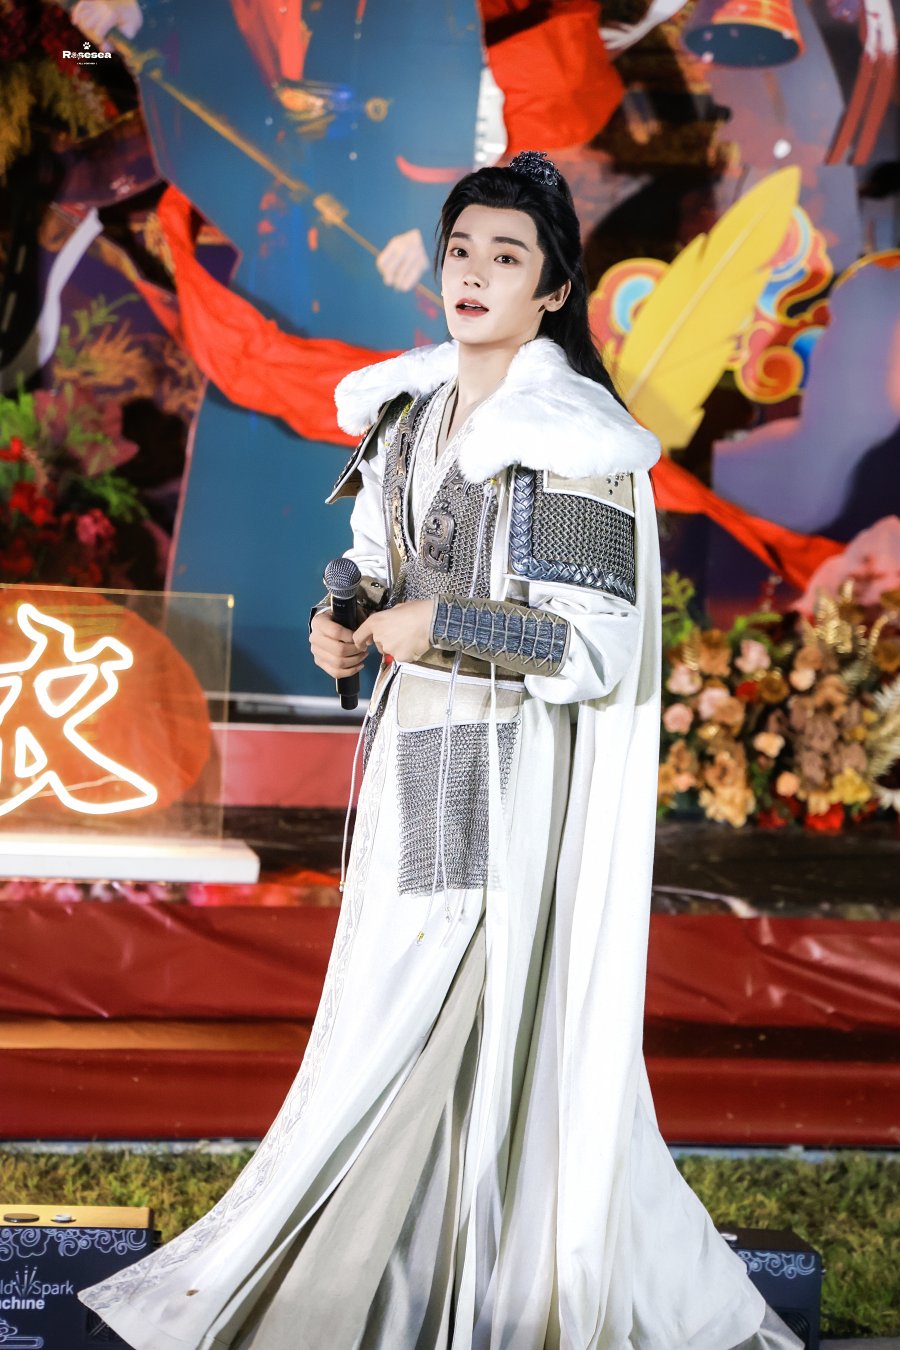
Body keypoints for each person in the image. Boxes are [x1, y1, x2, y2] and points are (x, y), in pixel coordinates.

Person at [78, 152, 802, 1349]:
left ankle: (421, 1284)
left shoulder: (572, 440)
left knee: (452, 1018)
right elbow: (375, 561)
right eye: (462, 250)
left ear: (553, 291)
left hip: (513, 778)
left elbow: (595, 647)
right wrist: (349, 617)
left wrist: (441, 625)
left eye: (506, 257)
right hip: (417, 759)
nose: (473, 273)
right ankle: (397, 1279)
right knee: (385, 1008)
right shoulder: (409, 416)